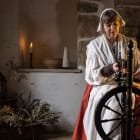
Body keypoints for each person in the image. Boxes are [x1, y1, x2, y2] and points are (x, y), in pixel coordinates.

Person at [72, 8, 140, 140]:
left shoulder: (129, 43)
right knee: (115, 98)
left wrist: (131, 69)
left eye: (115, 24)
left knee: (130, 95)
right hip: (104, 84)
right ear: (103, 27)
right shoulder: (94, 46)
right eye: (108, 25)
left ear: (120, 25)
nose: (112, 28)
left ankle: (128, 134)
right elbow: (92, 74)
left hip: (126, 83)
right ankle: (110, 137)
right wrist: (110, 68)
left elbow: (137, 66)